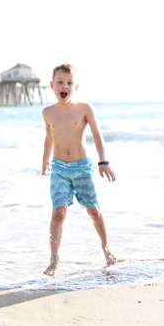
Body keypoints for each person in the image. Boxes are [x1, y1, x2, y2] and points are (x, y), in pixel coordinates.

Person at [41, 64, 117, 278]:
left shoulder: (84, 109)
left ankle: (106, 248)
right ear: (52, 85)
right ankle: (54, 258)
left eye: (69, 82)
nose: (64, 86)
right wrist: (45, 161)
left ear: (76, 86)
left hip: (82, 168)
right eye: (60, 82)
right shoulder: (47, 112)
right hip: (59, 168)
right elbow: (49, 138)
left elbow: (97, 134)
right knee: (58, 212)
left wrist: (104, 161)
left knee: (94, 211)